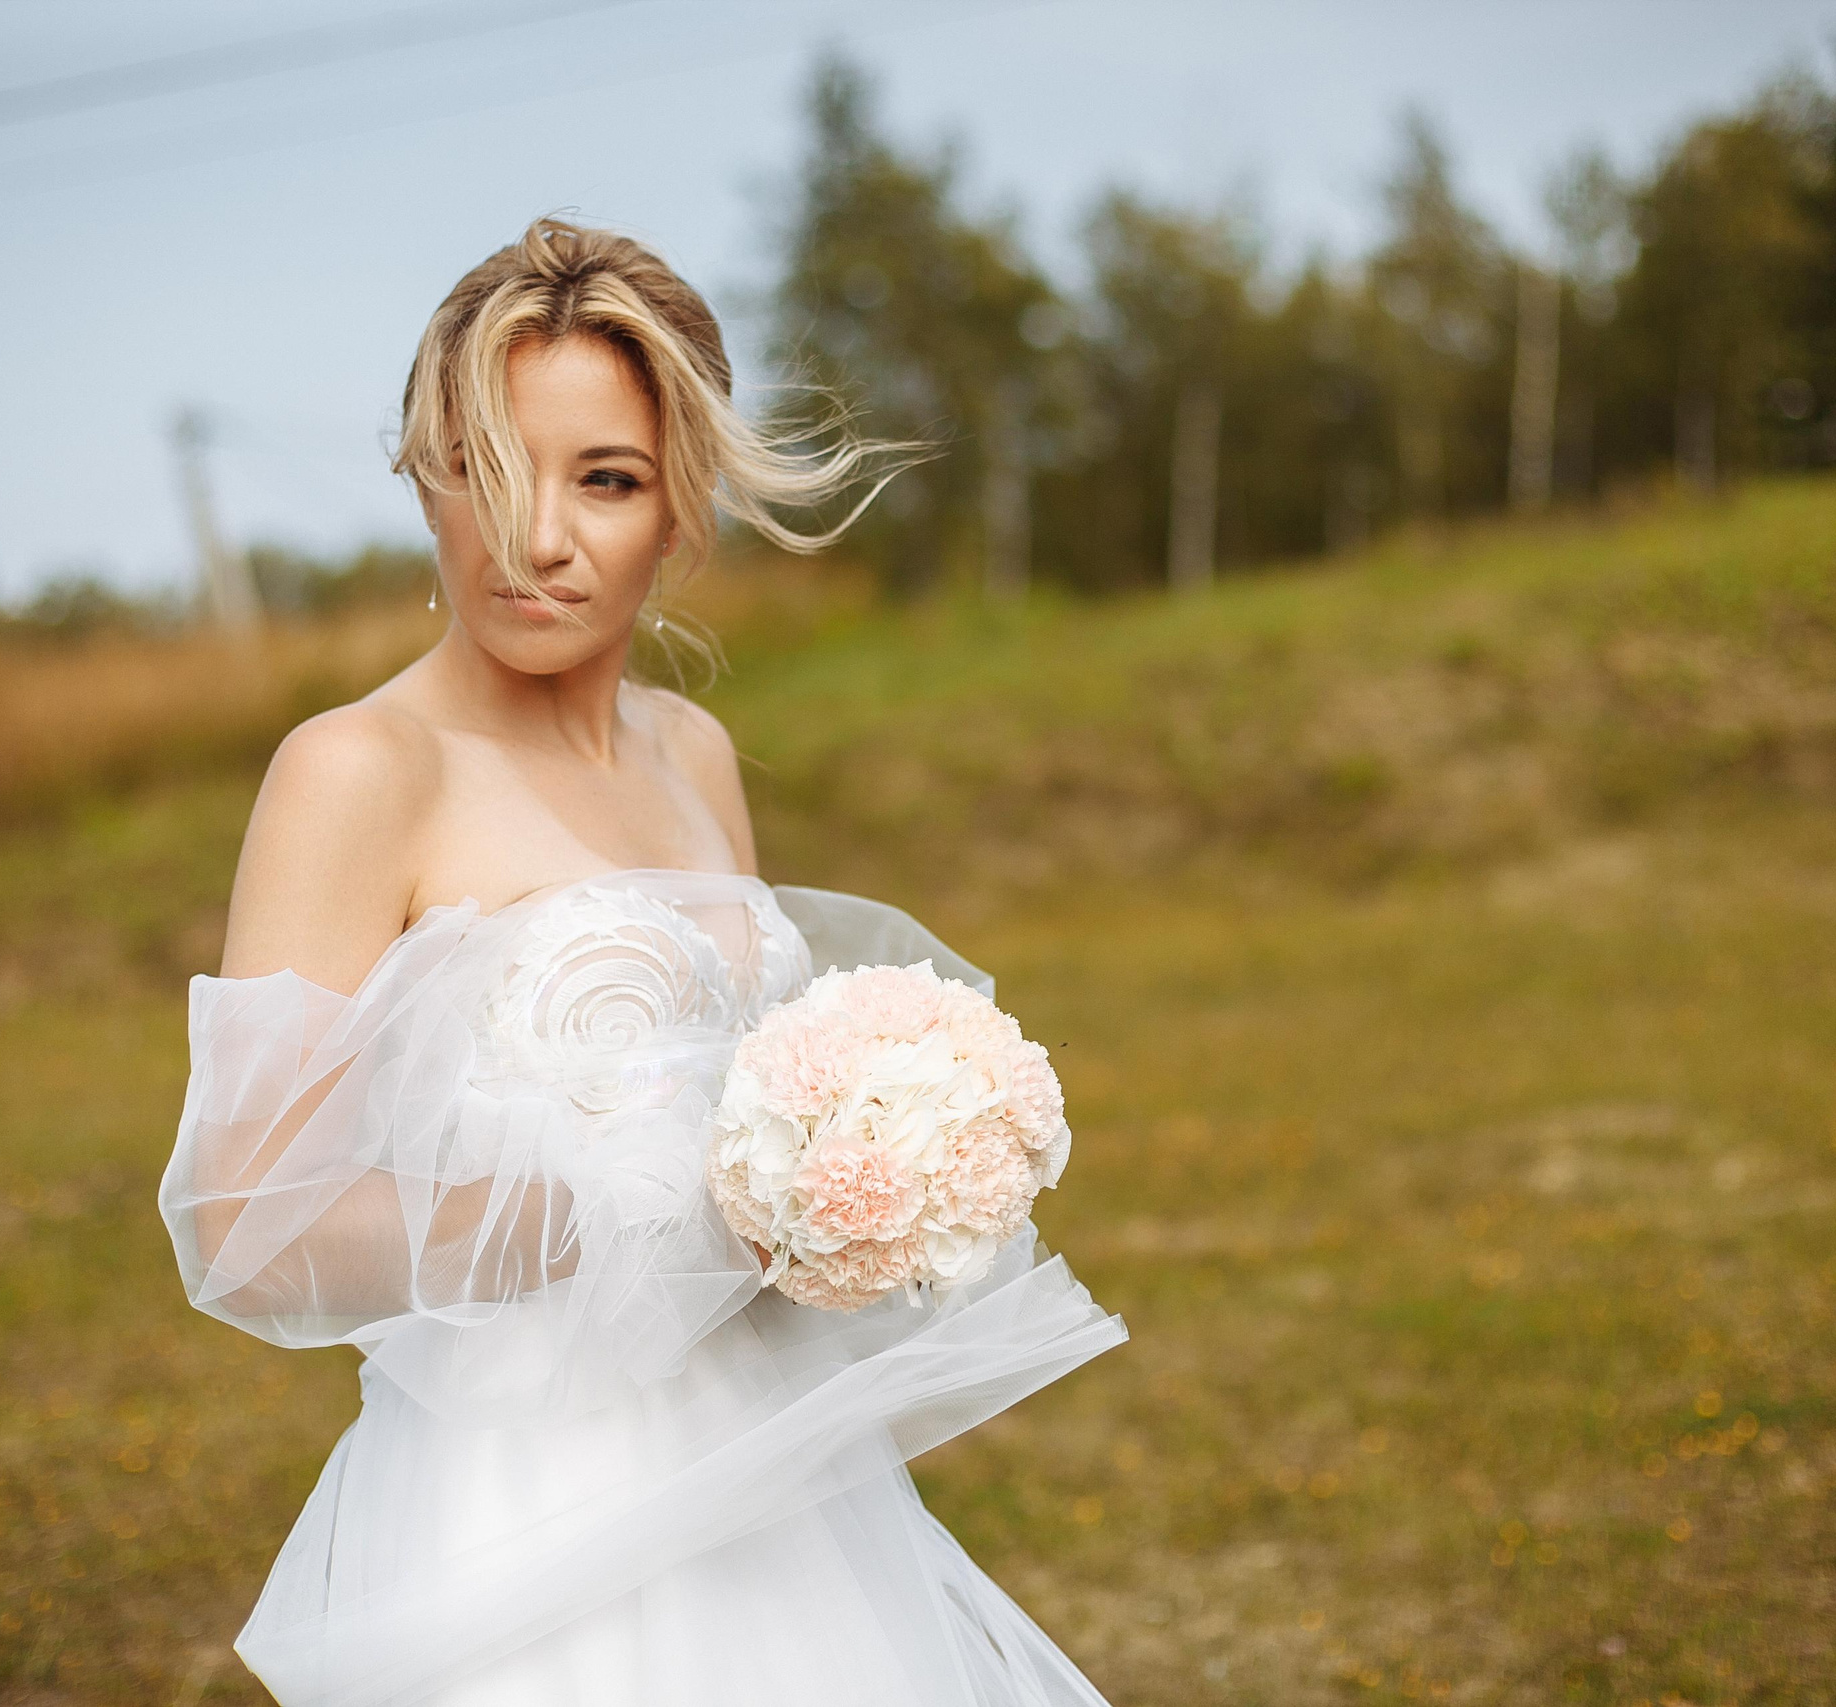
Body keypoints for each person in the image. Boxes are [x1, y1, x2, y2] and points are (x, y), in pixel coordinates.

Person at [158, 217, 1128, 1706]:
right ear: (425, 477)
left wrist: (842, 1181)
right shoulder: (358, 771)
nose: (533, 538)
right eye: (484, 467)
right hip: (526, 1496)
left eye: (601, 480)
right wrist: (625, 1205)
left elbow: (737, 1104)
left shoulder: (695, 753)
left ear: (680, 510)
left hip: (777, 1481)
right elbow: (248, 1222)